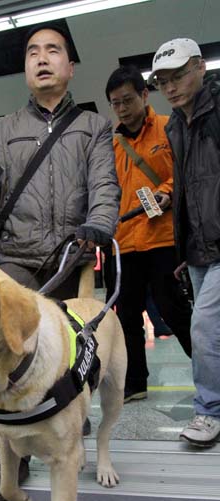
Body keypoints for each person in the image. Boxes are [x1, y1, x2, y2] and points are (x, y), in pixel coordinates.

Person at [0, 25, 121, 501]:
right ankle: (4, 455)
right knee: (5, 361)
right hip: (17, 267)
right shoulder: (3, 131)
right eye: (32, 53)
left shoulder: (93, 127)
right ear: (26, 68)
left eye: (53, 51)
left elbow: (104, 186)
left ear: (70, 67)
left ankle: (66, 439)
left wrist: (100, 225)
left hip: (71, 261)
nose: (41, 59)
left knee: (68, 364)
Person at [105, 65, 192, 403]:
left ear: (144, 95)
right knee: (126, 318)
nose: (123, 108)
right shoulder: (111, 145)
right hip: (123, 245)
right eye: (115, 103)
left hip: (162, 241)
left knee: (175, 310)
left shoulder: (171, 129)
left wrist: (168, 191)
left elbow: (186, 173)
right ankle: (135, 383)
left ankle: (210, 374)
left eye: (128, 99)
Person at [148, 38, 220, 446]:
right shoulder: (175, 125)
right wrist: (182, 248)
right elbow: (187, 191)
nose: (171, 87)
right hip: (196, 249)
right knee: (213, 329)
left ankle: (208, 411)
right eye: (162, 81)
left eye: (178, 76)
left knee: (205, 327)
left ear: (200, 67)